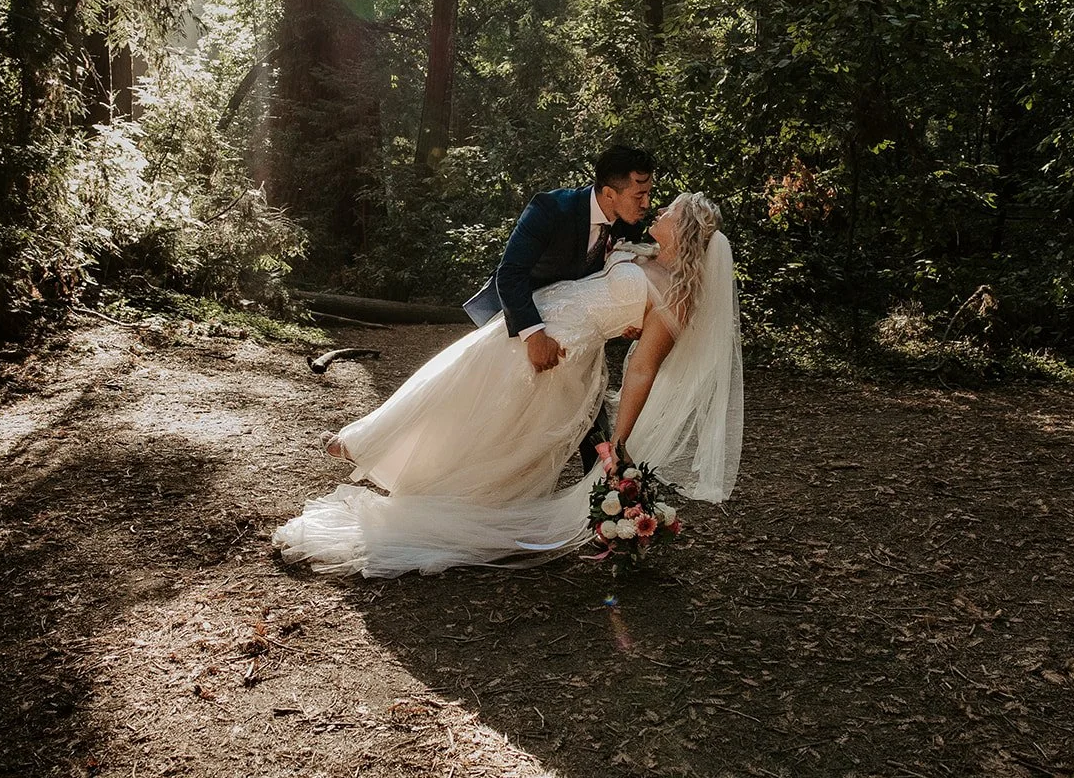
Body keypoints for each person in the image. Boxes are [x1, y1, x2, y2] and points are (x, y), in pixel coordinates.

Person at [272, 193, 743, 578]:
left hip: (559, 359)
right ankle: (372, 441)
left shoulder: (676, 299)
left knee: (492, 426)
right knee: (454, 383)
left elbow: (642, 368)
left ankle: (433, 492)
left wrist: (620, 438)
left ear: (683, 231)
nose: (658, 211)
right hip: (529, 325)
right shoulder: (640, 253)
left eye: (669, 211)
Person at [463, 144, 655, 472]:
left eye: (649, 193)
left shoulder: (630, 225)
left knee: (587, 408)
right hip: (518, 324)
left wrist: (629, 319)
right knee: (498, 420)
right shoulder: (551, 208)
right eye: (639, 195)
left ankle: (604, 496)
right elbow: (510, 274)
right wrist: (533, 334)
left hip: (578, 339)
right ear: (610, 193)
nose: (647, 203)